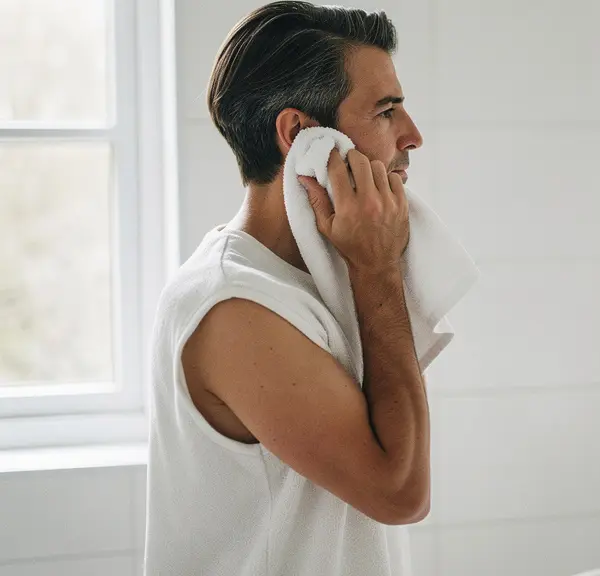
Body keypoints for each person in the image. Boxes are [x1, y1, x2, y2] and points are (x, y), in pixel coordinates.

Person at [143, 3, 428, 575]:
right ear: (301, 134)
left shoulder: (301, 283)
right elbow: (400, 494)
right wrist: (378, 272)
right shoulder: (235, 308)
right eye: (386, 110)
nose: (412, 136)